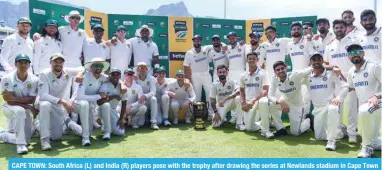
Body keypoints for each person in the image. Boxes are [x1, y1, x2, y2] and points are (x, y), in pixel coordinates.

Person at [323, 19, 359, 143]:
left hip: (350, 78)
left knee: (351, 107)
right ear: (334, 29)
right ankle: (338, 131)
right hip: (335, 80)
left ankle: (352, 134)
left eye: (341, 27)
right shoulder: (329, 45)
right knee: (337, 107)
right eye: (336, 28)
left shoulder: (353, 42)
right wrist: (333, 67)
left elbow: (358, 59)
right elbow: (325, 63)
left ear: (345, 28)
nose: (339, 30)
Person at [37, 53, 83, 150]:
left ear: (63, 63)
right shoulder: (44, 73)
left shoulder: (66, 72)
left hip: (57, 105)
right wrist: (64, 102)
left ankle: (38, 124)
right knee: (45, 105)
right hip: (43, 102)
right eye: (55, 62)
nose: (58, 64)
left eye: (60, 62)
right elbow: (43, 95)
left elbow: (83, 68)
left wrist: (79, 74)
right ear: (50, 62)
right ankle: (44, 140)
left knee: (56, 137)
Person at [303, 52, 348, 151]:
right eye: (314, 60)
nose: (316, 62)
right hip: (317, 108)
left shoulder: (331, 73)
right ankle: (341, 131)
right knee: (319, 137)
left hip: (330, 104)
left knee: (332, 109)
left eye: (319, 59)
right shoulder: (307, 76)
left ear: (322, 61)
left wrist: (339, 98)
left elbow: (345, 86)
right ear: (311, 62)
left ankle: (331, 141)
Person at [346, 44, 381, 158]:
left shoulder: (374, 66)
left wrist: (377, 96)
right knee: (373, 137)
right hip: (367, 106)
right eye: (351, 53)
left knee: (364, 110)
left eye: (357, 51)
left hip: (379, 102)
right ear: (348, 57)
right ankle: (373, 143)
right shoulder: (351, 71)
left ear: (363, 53)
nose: (354, 54)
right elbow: (349, 87)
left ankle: (367, 148)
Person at [0, 54, 39, 154]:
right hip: (8, 107)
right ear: (15, 64)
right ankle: (20, 145)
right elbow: (9, 101)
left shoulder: (34, 79)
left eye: (25, 63)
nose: (23, 65)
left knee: (27, 140)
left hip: (24, 108)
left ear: (29, 65)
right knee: (20, 110)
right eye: (20, 62)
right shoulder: (7, 78)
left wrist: (14, 98)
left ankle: (2, 134)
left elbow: (31, 99)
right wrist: (28, 106)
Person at [268, 61, 316, 136]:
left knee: (295, 133)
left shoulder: (295, 75)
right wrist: (281, 102)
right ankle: (281, 129)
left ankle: (308, 121)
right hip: (285, 102)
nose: (280, 71)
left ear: (286, 68)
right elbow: (270, 95)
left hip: (298, 106)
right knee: (270, 105)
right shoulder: (274, 79)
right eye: (278, 70)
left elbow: (310, 69)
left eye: (282, 68)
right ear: (274, 72)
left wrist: (330, 67)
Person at [72, 58, 110, 146]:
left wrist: (122, 84)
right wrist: (99, 96)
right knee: (84, 103)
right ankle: (85, 139)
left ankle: (70, 123)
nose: (99, 68)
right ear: (91, 67)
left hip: (89, 106)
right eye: (96, 65)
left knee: (89, 132)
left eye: (101, 66)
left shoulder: (103, 77)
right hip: (76, 103)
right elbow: (80, 97)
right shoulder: (85, 76)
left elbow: (114, 78)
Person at [238, 52, 274, 138]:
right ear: (247, 60)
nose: (251, 60)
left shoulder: (263, 73)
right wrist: (243, 102)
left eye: (253, 59)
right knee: (249, 129)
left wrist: (253, 100)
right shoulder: (243, 75)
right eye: (249, 59)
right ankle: (264, 122)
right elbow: (242, 90)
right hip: (248, 103)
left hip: (259, 100)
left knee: (264, 101)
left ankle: (266, 130)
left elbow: (265, 91)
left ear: (257, 60)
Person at [286, 22, 315, 114]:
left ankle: (304, 119)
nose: (296, 31)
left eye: (298, 29)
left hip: (307, 74)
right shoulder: (289, 44)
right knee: (297, 99)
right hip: (295, 75)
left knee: (306, 99)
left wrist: (308, 70)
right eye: (294, 29)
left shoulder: (307, 41)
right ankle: (298, 121)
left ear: (302, 30)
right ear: (291, 32)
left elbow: (313, 56)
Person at [184, 35, 213, 120]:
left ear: (201, 41)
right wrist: (187, 78)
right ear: (193, 42)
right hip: (195, 76)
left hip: (206, 75)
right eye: (195, 41)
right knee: (196, 97)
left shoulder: (206, 48)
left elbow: (218, 44)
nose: (197, 42)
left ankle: (211, 115)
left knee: (210, 95)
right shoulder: (189, 52)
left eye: (198, 41)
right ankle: (196, 115)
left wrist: (224, 45)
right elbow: (186, 66)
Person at [98, 68, 128, 136]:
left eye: (117, 74)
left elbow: (124, 103)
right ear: (109, 75)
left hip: (113, 110)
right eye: (113, 74)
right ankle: (105, 126)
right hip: (102, 109)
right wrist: (113, 97)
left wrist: (121, 119)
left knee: (121, 132)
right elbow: (99, 102)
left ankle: (107, 125)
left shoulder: (122, 87)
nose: (115, 76)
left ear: (120, 76)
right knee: (106, 106)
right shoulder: (105, 85)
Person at [134, 62, 159, 130]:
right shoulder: (133, 78)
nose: (142, 70)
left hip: (148, 100)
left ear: (147, 69)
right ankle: (144, 117)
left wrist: (145, 96)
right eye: (140, 68)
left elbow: (153, 92)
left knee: (153, 99)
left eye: (144, 68)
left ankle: (153, 122)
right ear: (137, 70)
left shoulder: (152, 78)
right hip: (139, 102)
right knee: (140, 124)